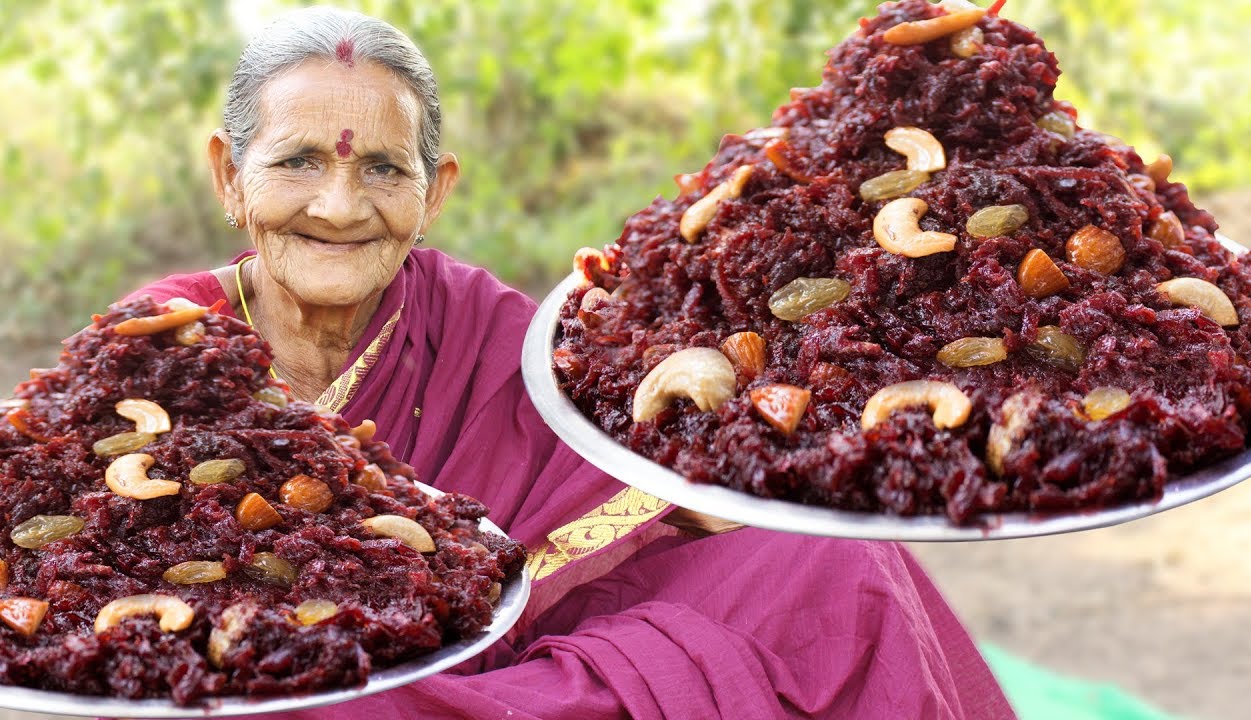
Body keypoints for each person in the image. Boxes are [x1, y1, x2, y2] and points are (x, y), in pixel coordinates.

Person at [127, 7, 1014, 719]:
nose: (340, 205)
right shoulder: (159, 344)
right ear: (229, 174)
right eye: (298, 162)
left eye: (386, 171)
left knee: (826, 563)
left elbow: (611, 442)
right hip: (300, 663)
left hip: (498, 632)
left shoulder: (471, 319)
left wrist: (726, 486)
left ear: (435, 193)